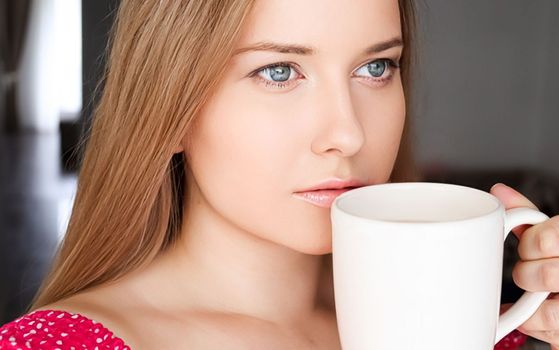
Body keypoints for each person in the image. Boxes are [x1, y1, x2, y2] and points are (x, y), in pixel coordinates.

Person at [1, 0, 558, 349]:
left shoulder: (473, 330)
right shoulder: (59, 346)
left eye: (376, 67)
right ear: (167, 111)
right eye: (278, 71)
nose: (349, 134)